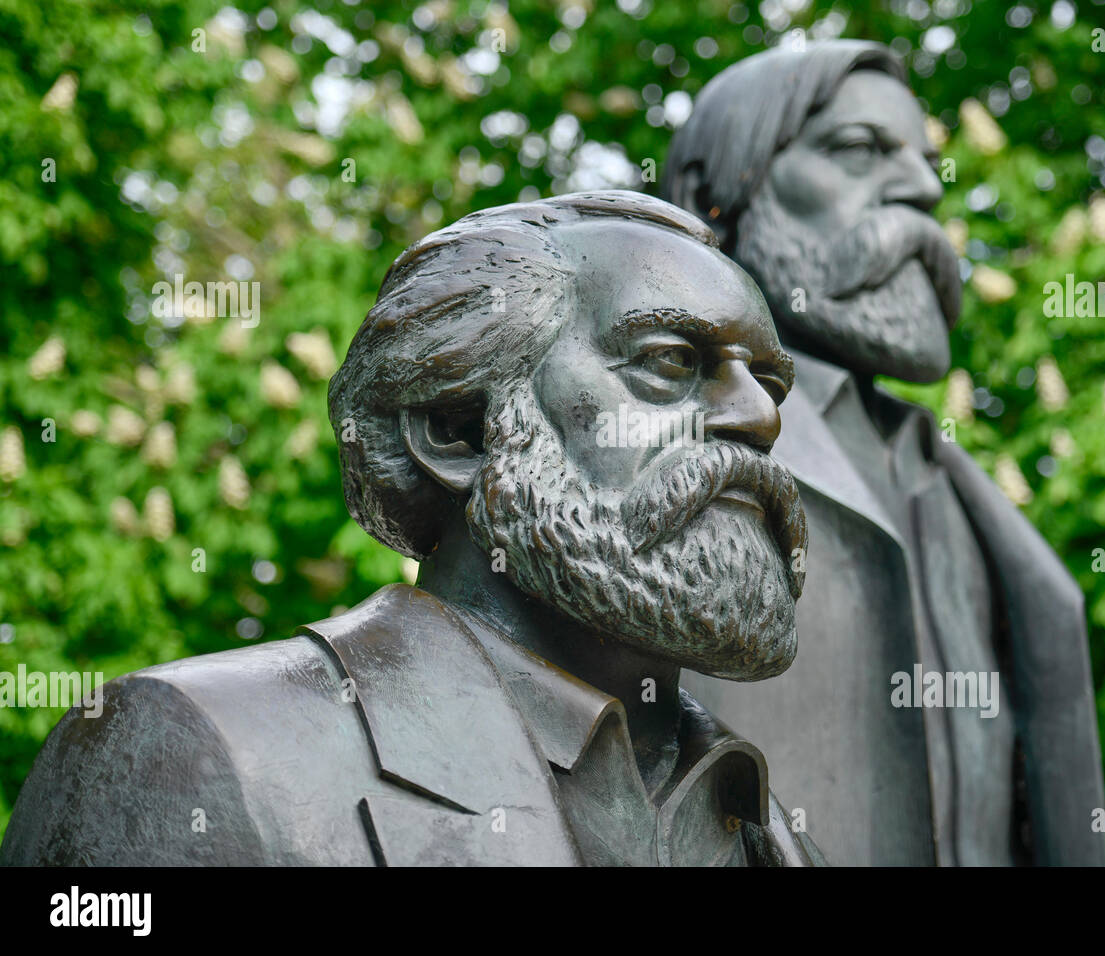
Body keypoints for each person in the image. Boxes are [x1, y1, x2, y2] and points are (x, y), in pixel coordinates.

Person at [0, 191, 821, 867]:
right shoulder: (191, 753)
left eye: (772, 385)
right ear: (456, 426)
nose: (758, 417)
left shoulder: (770, 835)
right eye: (672, 362)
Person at [663, 41, 1105, 866]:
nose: (922, 187)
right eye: (860, 150)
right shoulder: (649, 452)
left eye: (926, 160)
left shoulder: (954, 486)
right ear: (710, 203)